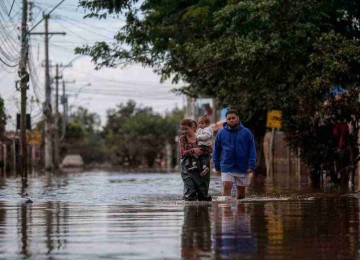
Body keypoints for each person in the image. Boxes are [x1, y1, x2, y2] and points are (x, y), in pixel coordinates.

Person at [213, 109, 256, 200]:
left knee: (241, 195)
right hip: (226, 165)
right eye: (229, 119)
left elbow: (252, 149)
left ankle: (240, 213)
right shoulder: (221, 133)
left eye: (233, 118)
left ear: (238, 118)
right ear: (226, 120)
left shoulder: (246, 132)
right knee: (226, 187)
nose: (231, 120)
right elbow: (216, 150)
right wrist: (216, 164)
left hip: (242, 166)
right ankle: (226, 213)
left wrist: (251, 164)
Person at [179, 119, 212, 201]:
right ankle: (189, 210)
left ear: (192, 128)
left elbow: (210, 150)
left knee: (202, 194)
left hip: (201, 166)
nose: (184, 131)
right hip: (187, 167)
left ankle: (203, 211)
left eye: (186, 129)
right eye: (182, 129)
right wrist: (193, 150)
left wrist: (201, 151)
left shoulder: (200, 137)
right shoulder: (182, 138)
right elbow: (182, 153)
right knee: (190, 190)